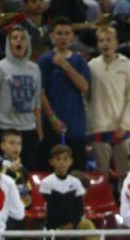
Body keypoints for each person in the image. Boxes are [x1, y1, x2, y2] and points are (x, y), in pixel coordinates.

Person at [0, 25, 43, 172]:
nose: (19, 41)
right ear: (9, 43)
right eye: (15, 38)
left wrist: (39, 129)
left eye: (22, 38)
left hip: (28, 129)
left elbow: (37, 102)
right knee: (4, 173)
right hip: (5, 128)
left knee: (27, 173)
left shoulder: (34, 68)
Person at [39, 16, 90, 172]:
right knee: (50, 172)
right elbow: (40, 93)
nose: (63, 37)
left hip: (75, 125)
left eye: (67, 33)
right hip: (51, 126)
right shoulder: (45, 60)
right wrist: (53, 118)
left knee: (77, 172)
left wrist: (65, 66)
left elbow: (84, 86)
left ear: (72, 37)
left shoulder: (79, 61)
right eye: (59, 33)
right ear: (52, 36)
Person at [86, 25, 130, 178]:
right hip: (97, 126)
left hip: (120, 127)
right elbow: (86, 98)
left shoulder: (126, 64)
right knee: (102, 175)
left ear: (116, 42)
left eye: (108, 40)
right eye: (101, 40)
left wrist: (124, 124)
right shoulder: (91, 66)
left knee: (125, 174)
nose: (105, 44)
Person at [39, 143, 96, 240]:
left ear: (71, 161)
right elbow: (52, 208)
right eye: (58, 159)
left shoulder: (75, 183)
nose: (62, 162)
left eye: (65, 159)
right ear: (51, 162)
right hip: (53, 229)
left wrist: (71, 226)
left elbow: (79, 209)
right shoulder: (47, 182)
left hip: (72, 228)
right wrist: (62, 229)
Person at [0, 129, 31, 240]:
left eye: (19, 143)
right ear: (2, 145)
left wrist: (27, 199)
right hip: (4, 216)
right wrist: (10, 171)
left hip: (18, 216)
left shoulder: (23, 168)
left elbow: (25, 189)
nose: (16, 147)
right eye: (12, 143)